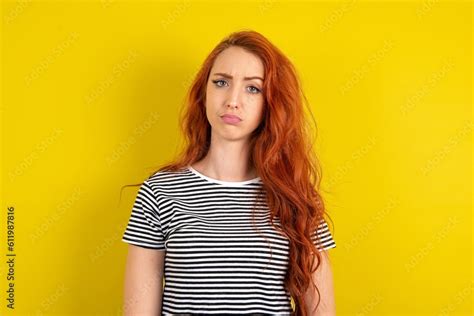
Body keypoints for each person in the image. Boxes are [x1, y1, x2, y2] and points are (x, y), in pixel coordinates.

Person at [121, 29, 337, 316]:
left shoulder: (296, 196)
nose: (232, 100)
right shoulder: (160, 192)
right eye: (221, 82)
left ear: (270, 102)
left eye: (253, 88)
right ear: (204, 93)